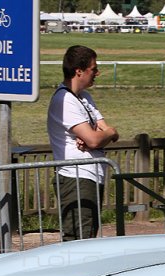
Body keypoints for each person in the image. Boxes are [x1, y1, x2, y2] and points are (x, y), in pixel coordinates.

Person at [48, 45, 119, 240]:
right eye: (93, 69)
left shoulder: (84, 98)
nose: (98, 73)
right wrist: (100, 135)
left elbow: (108, 133)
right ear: (79, 71)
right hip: (76, 179)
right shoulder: (64, 100)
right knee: (80, 239)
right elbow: (96, 139)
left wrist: (106, 133)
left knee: (87, 235)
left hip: (91, 177)